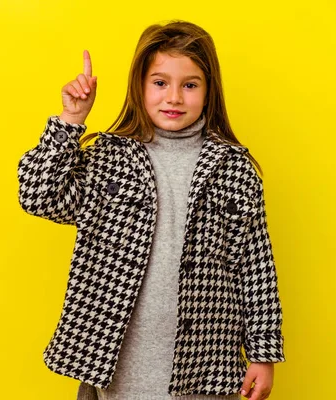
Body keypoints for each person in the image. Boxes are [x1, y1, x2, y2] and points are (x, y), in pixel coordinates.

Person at [17, 20, 285, 400]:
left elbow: (256, 266)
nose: (174, 97)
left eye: (189, 85)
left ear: (209, 92)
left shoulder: (234, 168)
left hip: (206, 364)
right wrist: (71, 121)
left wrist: (263, 352)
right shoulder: (109, 157)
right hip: (116, 363)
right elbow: (39, 195)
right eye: (160, 83)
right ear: (139, 86)